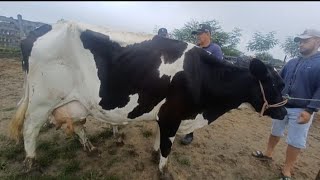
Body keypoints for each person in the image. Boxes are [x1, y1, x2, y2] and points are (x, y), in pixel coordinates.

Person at [251, 29, 320, 180]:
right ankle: (268, 154)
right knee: (275, 130)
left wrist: (310, 110)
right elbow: (278, 82)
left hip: (302, 109)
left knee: (296, 139)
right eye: (300, 41)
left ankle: (287, 171)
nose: (301, 44)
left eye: (305, 40)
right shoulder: (292, 62)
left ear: (317, 41)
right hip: (281, 105)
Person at [180, 24, 224, 145]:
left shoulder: (215, 49)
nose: (198, 36)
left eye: (200, 34)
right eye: (197, 34)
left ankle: (189, 133)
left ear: (208, 34)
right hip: (190, 82)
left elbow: (218, 68)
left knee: (194, 110)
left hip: (204, 85)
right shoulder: (194, 48)